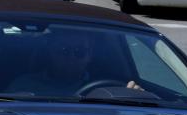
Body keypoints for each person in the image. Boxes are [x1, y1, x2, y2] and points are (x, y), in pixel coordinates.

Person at [8, 28, 150, 98]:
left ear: (89, 56)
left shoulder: (114, 89)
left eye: (80, 52)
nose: (71, 58)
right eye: (64, 51)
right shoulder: (24, 85)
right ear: (51, 52)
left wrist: (137, 97)